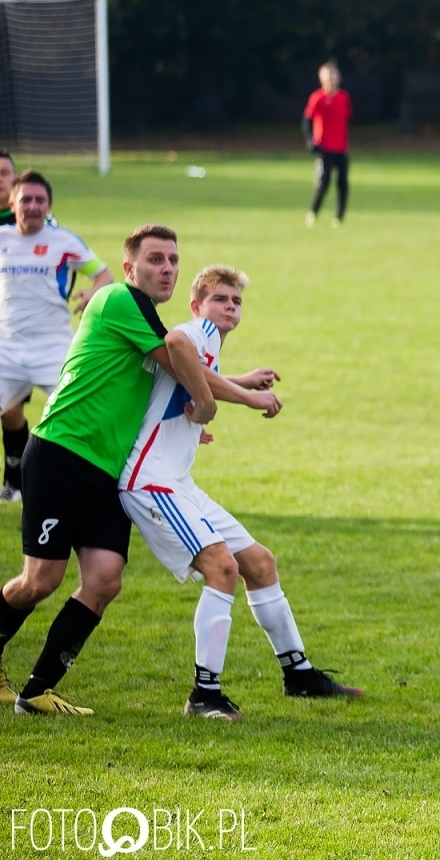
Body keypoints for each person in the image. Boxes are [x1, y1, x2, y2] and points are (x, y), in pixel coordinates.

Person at [119, 264, 361, 719]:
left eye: (236, 301)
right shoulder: (197, 331)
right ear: (197, 306)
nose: (229, 307)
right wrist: (248, 397)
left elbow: (189, 384)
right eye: (219, 299)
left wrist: (239, 383)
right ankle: (204, 694)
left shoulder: (208, 344)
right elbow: (175, 345)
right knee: (223, 568)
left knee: (259, 562)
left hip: (178, 482)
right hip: (150, 483)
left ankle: (300, 675)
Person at [0, 224, 216, 714]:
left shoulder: (147, 329)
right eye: (155, 259)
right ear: (129, 268)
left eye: (173, 260)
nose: (166, 268)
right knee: (40, 581)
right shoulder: (119, 301)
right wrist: (211, 403)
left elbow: (170, 377)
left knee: (104, 580)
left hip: (105, 472)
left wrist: (229, 390)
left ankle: (35, 693)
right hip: (60, 454)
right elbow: (182, 362)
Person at [0, 172, 114, 504]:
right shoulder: (2, 238)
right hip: (6, 350)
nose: (33, 206)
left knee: (79, 420)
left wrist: (94, 291)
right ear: (12, 203)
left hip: (54, 349)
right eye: (26, 200)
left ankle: (94, 491)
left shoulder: (63, 241)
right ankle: (16, 483)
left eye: (40, 201)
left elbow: (104, 273)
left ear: (49, 206)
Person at [303, 60, 351, 228]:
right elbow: (307, 120)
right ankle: (313, 212)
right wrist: (310, 140)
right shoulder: (318, 98)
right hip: (324, 148)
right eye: (328, 75)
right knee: (324, 182)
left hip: (341, 148)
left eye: (334, 75)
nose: (331, 78)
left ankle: (339, 217)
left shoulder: (343, 98)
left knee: (343, 183)